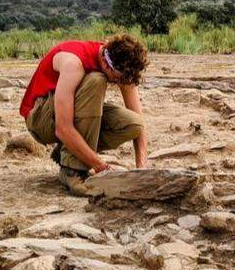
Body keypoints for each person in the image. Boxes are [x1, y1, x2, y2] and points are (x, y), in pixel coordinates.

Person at [19, 33, 150, 194]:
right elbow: (63, 128)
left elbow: (140, 123)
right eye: (117, 80)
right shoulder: (73, 63)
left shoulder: (121, 63)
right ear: (107, 65)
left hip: (69, 112)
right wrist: (103, 167)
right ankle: (73, 170)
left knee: (134, 124)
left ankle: (68, 153)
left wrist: (142, 169)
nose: (118, 84)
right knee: (97, 80)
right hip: (40, 120)